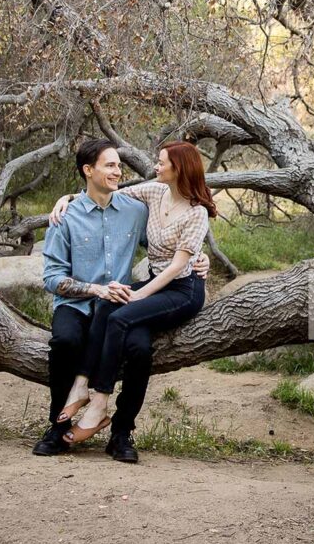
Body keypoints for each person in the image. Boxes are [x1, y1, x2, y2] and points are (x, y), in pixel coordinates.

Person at [32, 138, 209, 458]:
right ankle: (58, 428)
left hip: (121, 297)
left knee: (139, 349)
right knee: (66, 343)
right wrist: (69, 197)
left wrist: (199, 257)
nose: (119, 171)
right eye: (111, 165)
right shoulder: (65, 216)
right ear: (88, 170)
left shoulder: (134, 210)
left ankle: (121, 433)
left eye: (118, 165)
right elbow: (51, 278)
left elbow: (166, 244)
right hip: (77, 301)